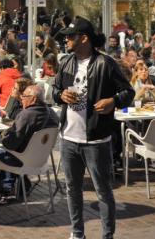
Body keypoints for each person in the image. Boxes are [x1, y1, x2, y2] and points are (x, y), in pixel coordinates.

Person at [52, 16, 134, 239]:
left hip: (96, 139)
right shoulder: (66, 62)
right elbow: (54, 91)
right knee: (72, 189)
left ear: (84, 38)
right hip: (69, 137)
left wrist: (113, 102)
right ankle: (77, 233)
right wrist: (60, 95)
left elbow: (128, 92)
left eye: (70, 36)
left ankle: (107, 235)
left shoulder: (104, 63)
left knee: (103, 192)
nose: (66, 40)